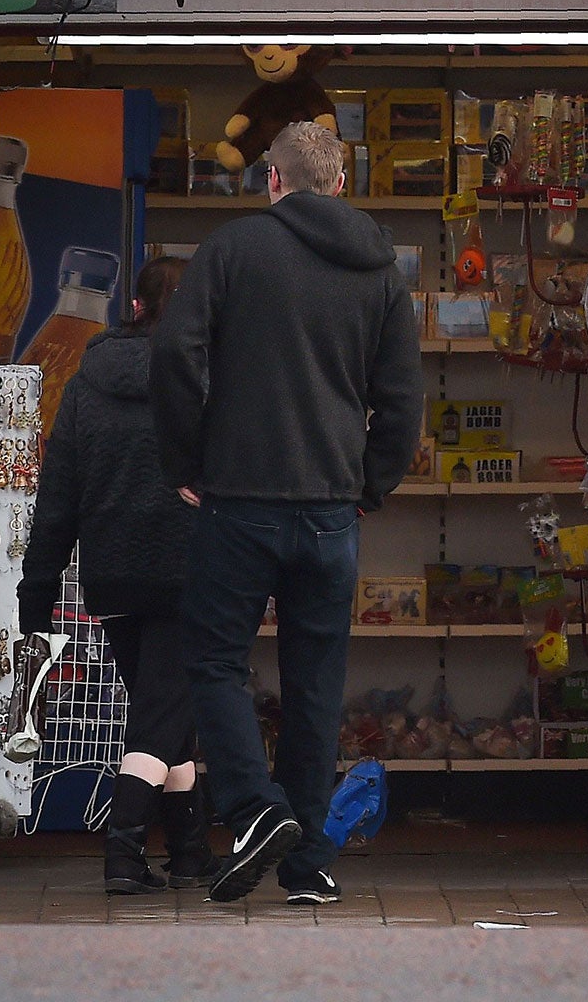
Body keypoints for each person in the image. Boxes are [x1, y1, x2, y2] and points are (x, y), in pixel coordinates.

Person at [152, 122, 423, 904]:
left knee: (212, 661)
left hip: (239, 501)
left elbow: (175, 354)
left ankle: (252, 809)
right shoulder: (379, 271)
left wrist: (187, 461)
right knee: (314, 688)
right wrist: (368, 484)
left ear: (272, 180)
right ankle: (307, 867)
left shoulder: (233, 250)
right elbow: (403, 399)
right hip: (331, 510)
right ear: (340, 184)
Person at [17, 255, 220, 896]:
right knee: (160, 721)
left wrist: (38, 594)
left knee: (168, 716)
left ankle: (189, 851)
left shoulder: (86, 380)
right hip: (193, 572)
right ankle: (123, 851)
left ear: (133, 309)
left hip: (112, 575)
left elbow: (59, 495)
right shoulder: (212, 380)